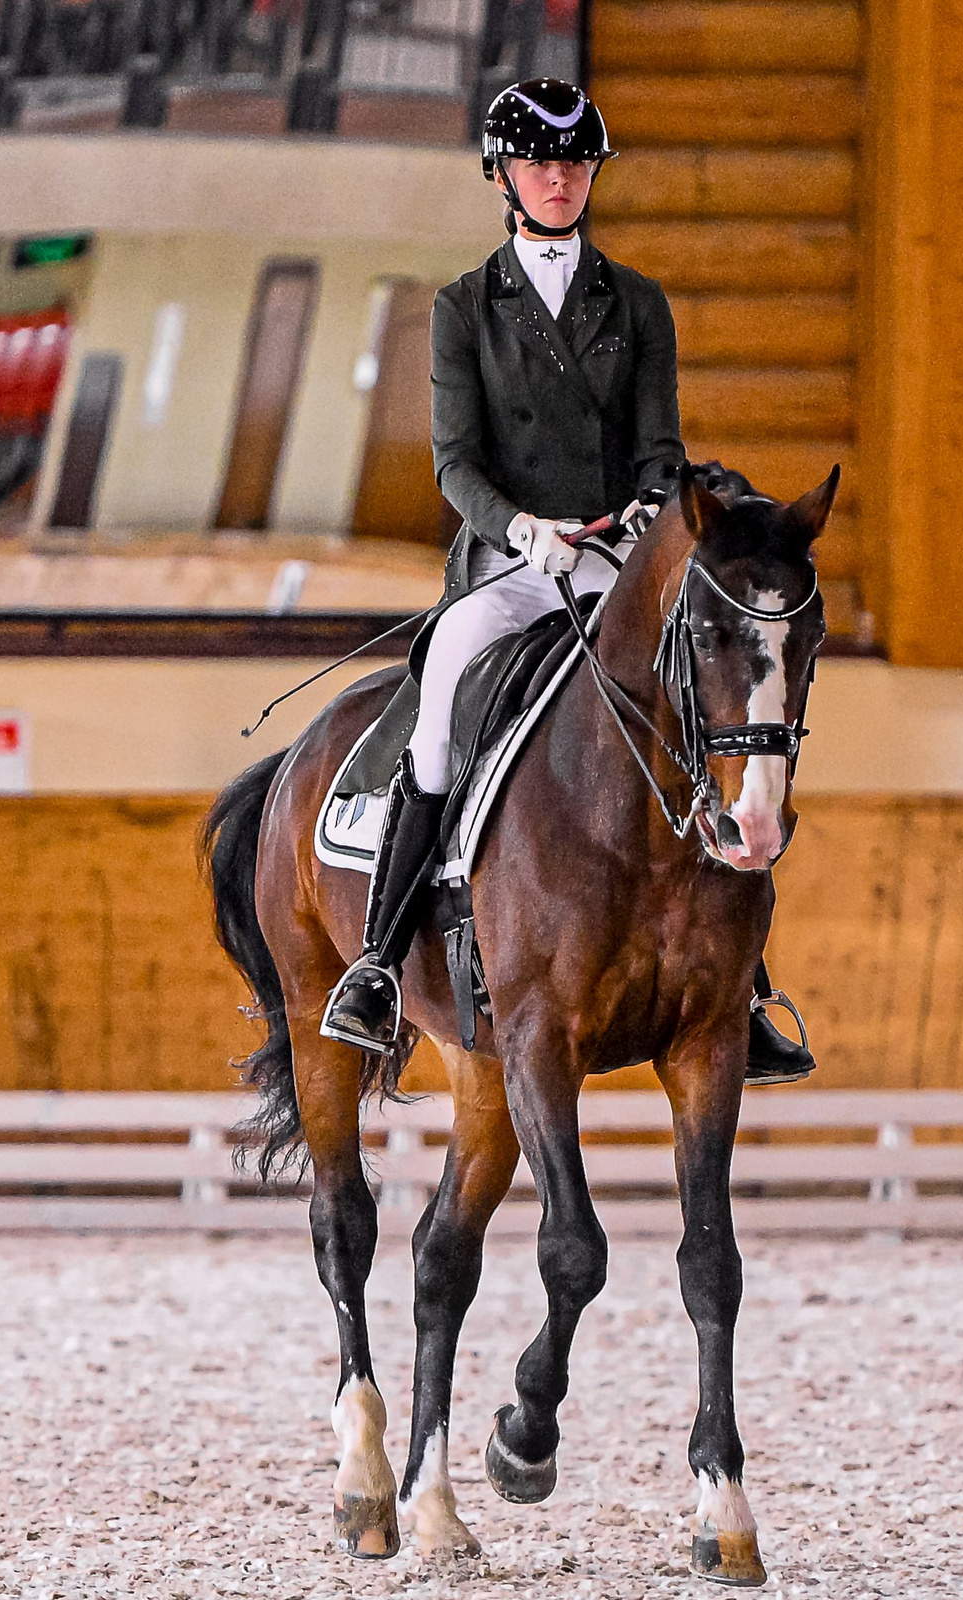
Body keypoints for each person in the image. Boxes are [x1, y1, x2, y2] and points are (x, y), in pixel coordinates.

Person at [318, 76, 816, 1086]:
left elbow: (659, 444)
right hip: (510, 567)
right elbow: (454, 462)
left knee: (706, 710)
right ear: (503, 176)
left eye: (575, 162)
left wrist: (644, 508)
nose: (559, 179)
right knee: (441, 698)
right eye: (540, 163)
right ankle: (376, 962)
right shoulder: (464, 308)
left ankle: (744, 986)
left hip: (616, 568)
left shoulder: (636, 303)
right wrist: (521, 529)